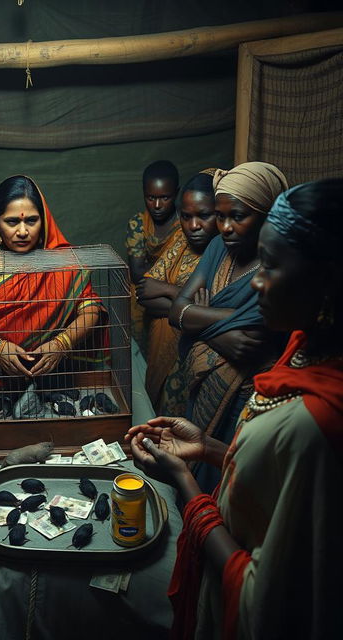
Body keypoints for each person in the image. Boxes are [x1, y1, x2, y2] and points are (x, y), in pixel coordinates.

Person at [125, 178, 343, 640]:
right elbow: (284, 486)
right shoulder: (303, 354)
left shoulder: (316, 423)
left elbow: (262, 607)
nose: (257, 282)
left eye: (273, 266)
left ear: (326, 280)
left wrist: (187, 485)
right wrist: (206, 448)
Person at [168, 162, 288, 491]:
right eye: (220, 216)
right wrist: (225, 328)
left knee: (231, 481)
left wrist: (199, 318)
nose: (225, 227)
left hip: (245, 397)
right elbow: (176, 311)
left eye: (238, 216)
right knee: (194, 469)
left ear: (267, 215)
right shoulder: (220, 248)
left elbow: (252, 341)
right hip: (204, 386)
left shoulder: (278, 268)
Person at [0, 175, 106, 422]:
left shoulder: (64, 263)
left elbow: (91, 310)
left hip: (55, 371)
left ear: (43, 222)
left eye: (31, 221)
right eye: (12, 222)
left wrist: (61, 344)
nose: (22, 231)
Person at [137, 170, 218, 413]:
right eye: (186, 216)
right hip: (161, 347)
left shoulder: (222, 253)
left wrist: (168, 290)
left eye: (204, 216)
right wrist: (186, 304)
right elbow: (144, 295)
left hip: (194, 354)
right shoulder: (180, 242)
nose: (193, 226)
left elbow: (213, 312)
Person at [126, 160, 180, 354]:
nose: (157, 205)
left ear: (177, 193)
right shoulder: (138, 224)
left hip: (174, 291)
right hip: (144, 293)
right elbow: (137, 273)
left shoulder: (185, 225)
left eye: (165, 197)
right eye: (150, 197)